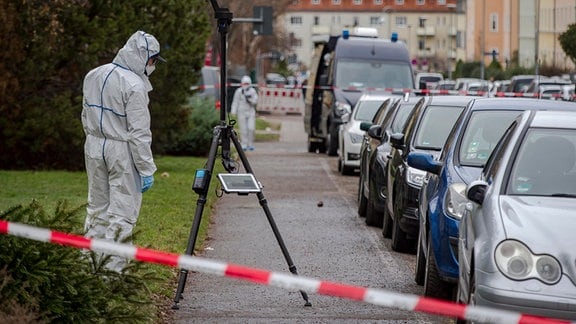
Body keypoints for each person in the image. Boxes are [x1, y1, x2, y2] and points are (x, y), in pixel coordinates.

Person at [81, 31, 165, 272]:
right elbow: (139, 133)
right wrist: (147, 168)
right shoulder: (134, 86)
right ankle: (112, 274)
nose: (152, 66)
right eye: (153, 60)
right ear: (143, 57)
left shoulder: (93, 74)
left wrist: (94, 139)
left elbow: (85, 115)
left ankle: (89, 267)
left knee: (96, 208)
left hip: (95, 145)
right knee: (122, 213)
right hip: (121, 150)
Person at [231, 75, 258, 151]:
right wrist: (233, 111)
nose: (245, 85)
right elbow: (235, 101)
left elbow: (255, 101)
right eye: (244, 84)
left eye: (247, 84)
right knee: (243, 129)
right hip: (241, 112)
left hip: (250, 112)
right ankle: (244, 144)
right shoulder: (239, 91)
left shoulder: (252, 91)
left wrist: (250, 100)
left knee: (251, 128)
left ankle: (250, 144)